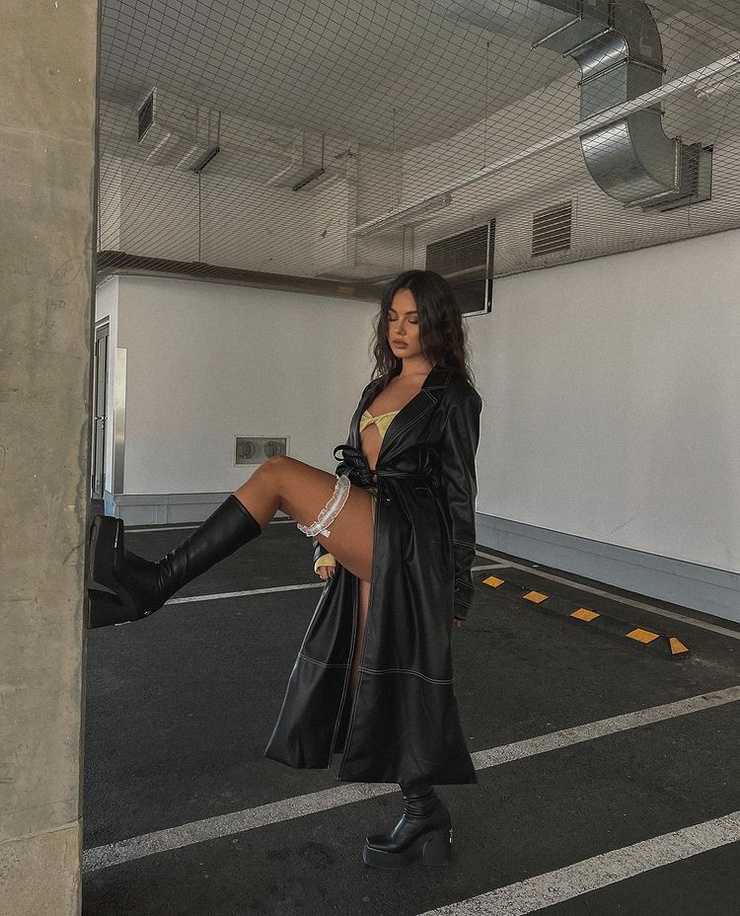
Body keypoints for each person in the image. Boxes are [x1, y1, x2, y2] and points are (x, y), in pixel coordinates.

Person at [87, 269, 482, 869]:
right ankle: (424, 811)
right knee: (373, 679)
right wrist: (328, 541)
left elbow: (459, 497)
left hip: (410, 541)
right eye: (392, 318)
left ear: (438, 323)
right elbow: (354, 475)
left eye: (413, 319)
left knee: (276, 475)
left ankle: (155, 583)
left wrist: (456, 592)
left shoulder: (454, 396)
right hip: (372, 529)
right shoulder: (378, 387)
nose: (399, 330)